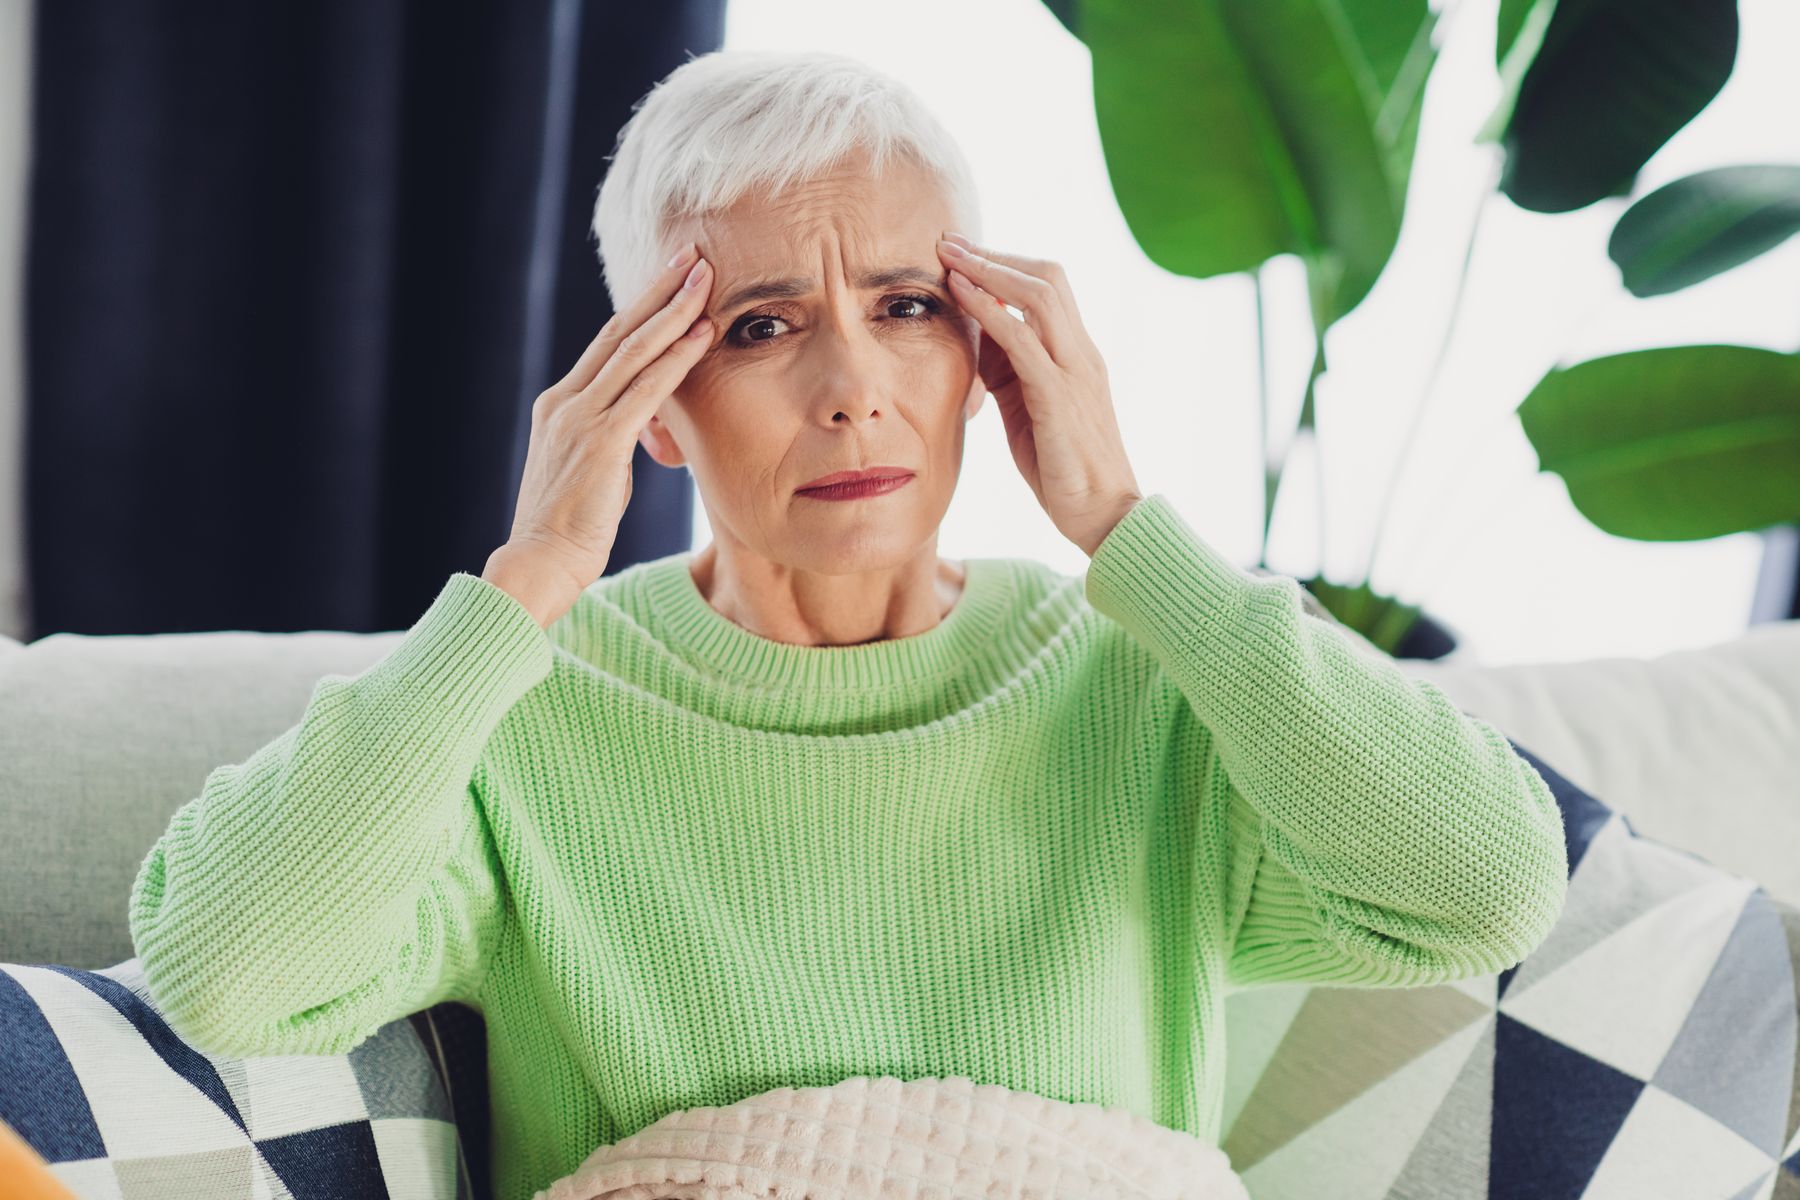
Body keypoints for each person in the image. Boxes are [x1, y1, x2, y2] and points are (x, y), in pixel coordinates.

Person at [128, 48, 1569, 1200]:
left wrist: (1130, 530)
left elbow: (1487, 891)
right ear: (655, 405)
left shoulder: (1149, 683)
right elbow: (225, 967)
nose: (852, 386)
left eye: (906, 306)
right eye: (757, 326)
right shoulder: (524, 711)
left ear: (994, 354)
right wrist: (531, 578)